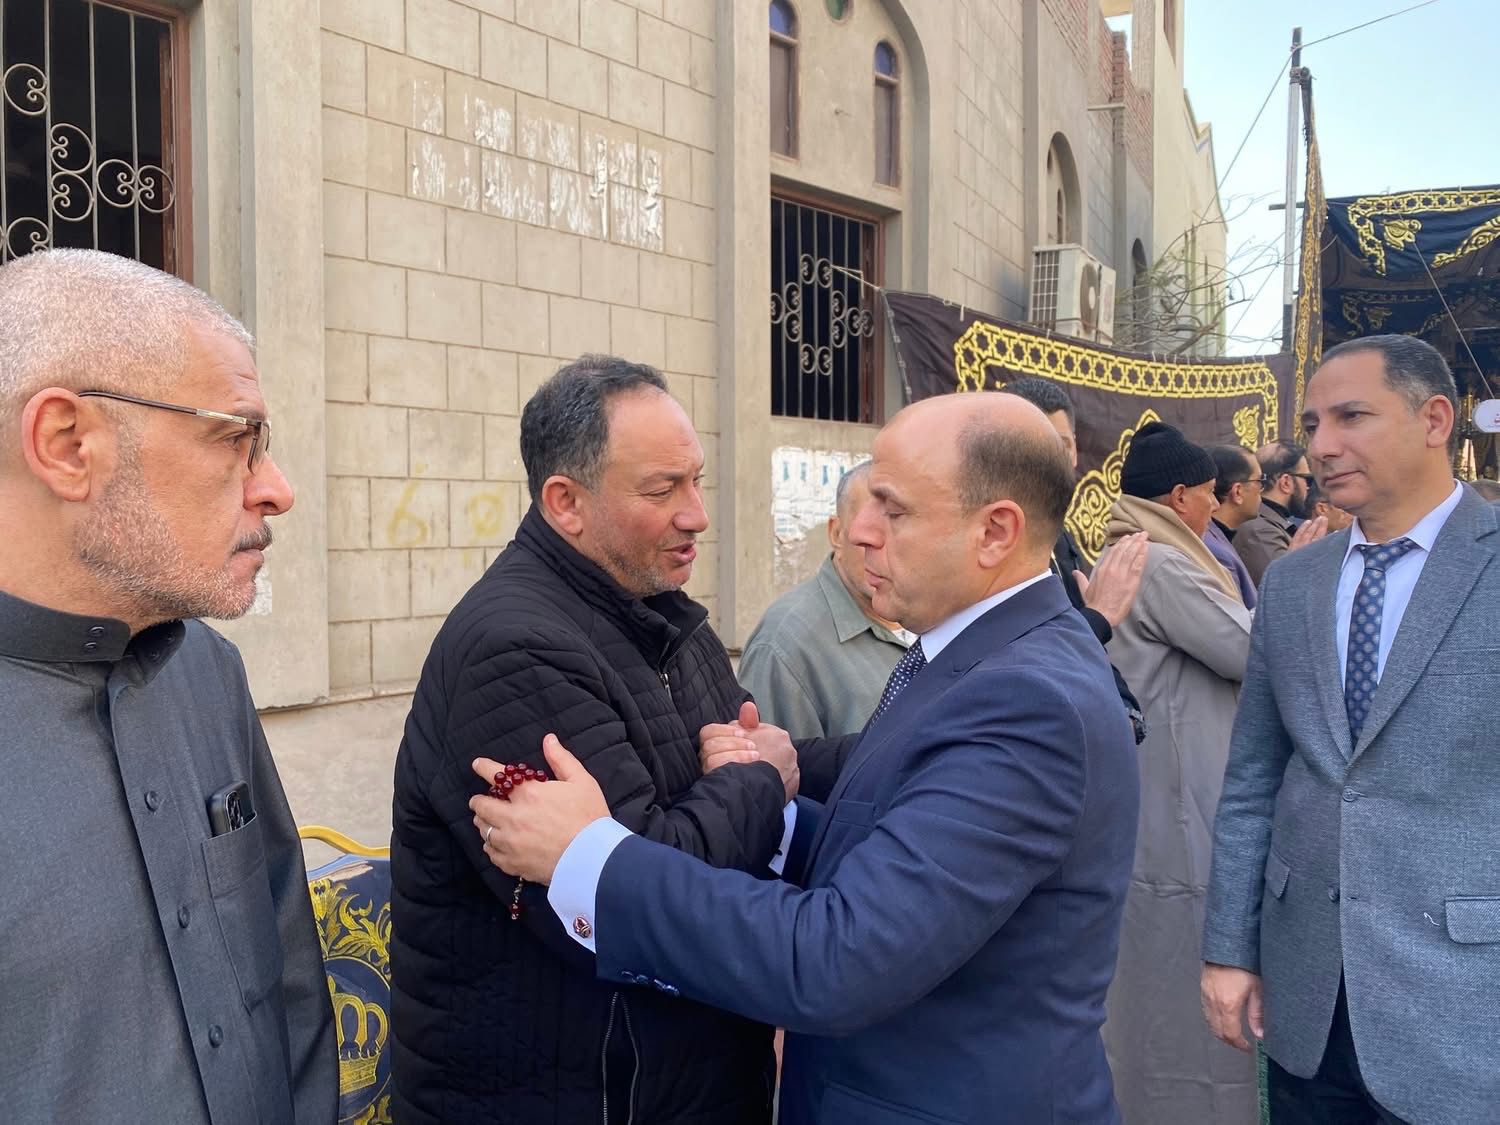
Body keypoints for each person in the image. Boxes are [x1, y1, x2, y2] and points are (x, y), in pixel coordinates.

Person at [473, 391, 1141, 1124]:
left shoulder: (1025, 700)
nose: (861, 531)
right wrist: (775, 807)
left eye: (893, 509)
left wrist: (588, 856)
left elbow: (839, 958)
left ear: (995, 531)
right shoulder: (973, 651)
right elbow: (895, 849)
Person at [390, 356, 847, 1125]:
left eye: (697, 481)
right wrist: (762, 780)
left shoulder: (660, 613)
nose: (697, 514)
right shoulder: (514, 651)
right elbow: (638, 893)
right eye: (662, 490)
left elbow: (749, 763)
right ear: (565, 502)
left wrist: (900, 747)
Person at [0, 250, 335, 1122]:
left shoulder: (209, 671)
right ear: (67, 444)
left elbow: (291, 981)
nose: (276, 489)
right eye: (235, 438)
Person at [1202, 335, 1500, 1125]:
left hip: (1466, 997)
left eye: (1351, 417)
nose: (1322, 445)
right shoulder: (1294, 582)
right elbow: (1254, 777)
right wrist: (1229, 946)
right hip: (1308, 995)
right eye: (1311, 424)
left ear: (1434, 419)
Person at [1094, 421, 1257, 1125]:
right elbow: (1251, 649)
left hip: (1161, 792)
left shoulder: (1138, 551)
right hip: (1178, 802)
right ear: (1180, 495)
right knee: (1180, 988)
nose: (1216, 507)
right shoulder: (1161, 561)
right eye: (1210, 494)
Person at [997, 377, 1150, 743]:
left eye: (1061, 445)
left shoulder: (1059, 535)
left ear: (1076, 450)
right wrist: (1099, 615)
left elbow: (1081, 641)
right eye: (1034, 445)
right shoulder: (988, 541)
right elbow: (1019, 660)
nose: (1051, 460)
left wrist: (1126, 711)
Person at [738, 461, 915, 738]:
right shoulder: (785, 644)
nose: (884, 551)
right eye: (869, 535)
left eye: (899, 530)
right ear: (836, 533)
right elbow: (773, 762)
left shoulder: (935, 616)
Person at [1234, 440, 1319, 583]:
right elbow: (1283, 587)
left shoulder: (1270, 525)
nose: (1308, 487)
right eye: (1307, 480)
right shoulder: (1261, 531)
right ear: (1286, 482)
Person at [1205, 444, 1264, 608]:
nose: (1262, 490)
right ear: (1237, 492)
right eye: (1259, 481)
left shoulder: (1218, 537)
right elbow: (1239, 619)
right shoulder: (1215, 552)